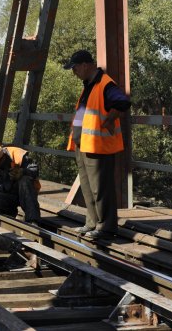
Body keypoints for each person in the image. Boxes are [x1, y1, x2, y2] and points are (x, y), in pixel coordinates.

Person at [64, 50, 131, 239]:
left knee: (101, 188)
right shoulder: (89, 85)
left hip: (98, 146)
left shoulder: (105, 84)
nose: (74, 72)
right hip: (84, 145)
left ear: (85, 65)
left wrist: (110, 120)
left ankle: (107, 228)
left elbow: (122, 103)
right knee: (88, 187)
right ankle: (92, 223)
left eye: (75, 68)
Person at [0, 143, 41, 223]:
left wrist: (23, 171)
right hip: (5, 194)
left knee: (25, 180)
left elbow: (34, 170)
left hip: (23, 193)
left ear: (2, 159)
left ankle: (32, 220)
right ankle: (9, 217)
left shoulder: (16, 154)